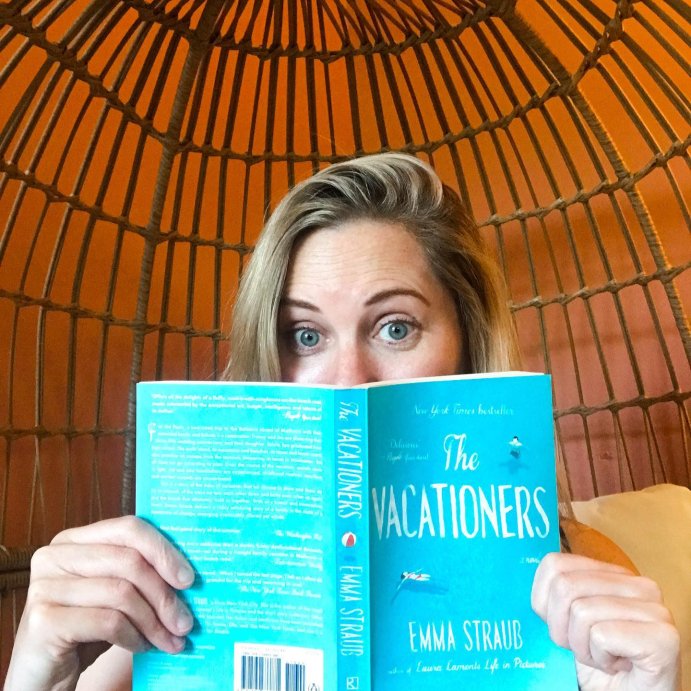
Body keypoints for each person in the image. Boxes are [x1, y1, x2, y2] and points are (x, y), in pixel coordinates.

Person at [5, 153, 680, 691]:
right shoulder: (193, 577)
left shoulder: (579, 574)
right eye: (305, 336)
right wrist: (38, 672)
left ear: (468, 341)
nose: (348, 380)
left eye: (395, 327)